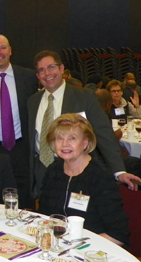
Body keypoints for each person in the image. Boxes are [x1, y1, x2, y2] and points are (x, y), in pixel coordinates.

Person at [28, 50, 140, 199]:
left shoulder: (84, 97)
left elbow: (104, 134)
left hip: (78, 170)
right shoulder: (32, 101)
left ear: (61, 68)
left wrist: (119, 171)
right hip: (42, 170)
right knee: (48, 215)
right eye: (41, 70)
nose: (47, 73)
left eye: (51, 67)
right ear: (37, 76)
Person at [39, 113, 129, 247]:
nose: (65, 144)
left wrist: (76, 247)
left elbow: (118, 234)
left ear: (85, 142)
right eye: (59, 138)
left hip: (92, 249)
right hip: (57, 247)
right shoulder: (53, 171)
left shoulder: (100, 177)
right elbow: (45, 216)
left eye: (72, 138)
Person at [0, 34, 38, 209]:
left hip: (22, 146)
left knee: (24, 197)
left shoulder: (29, 77)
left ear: (10, 51)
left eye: (3, 48)